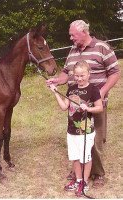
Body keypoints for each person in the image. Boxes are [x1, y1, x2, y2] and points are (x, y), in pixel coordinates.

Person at [46, 20, 120, 188]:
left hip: (95, 105)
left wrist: (99, 94)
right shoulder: (72, 51)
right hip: (76, 107)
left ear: (84, 32)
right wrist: (57, 80)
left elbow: (115, 73)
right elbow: (66, 72)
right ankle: (78, 173)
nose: (70, 38)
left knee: (96, 140)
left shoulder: (102, 47)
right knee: (78, 139)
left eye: (73, 35)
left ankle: (98, 173)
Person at [49, 61, 103, 197]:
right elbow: (64, 107)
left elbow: (100, 107)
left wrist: (88, 108)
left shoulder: (93, 89)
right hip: (71, 131)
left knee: (85, 158)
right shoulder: (71, 88)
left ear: (88, 74)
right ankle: (78, 180)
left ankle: (84, 182)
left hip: (86, 132)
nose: (79, 78)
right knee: (74, 157)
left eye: (82, 75)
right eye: (77, 76)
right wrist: (55, 92)